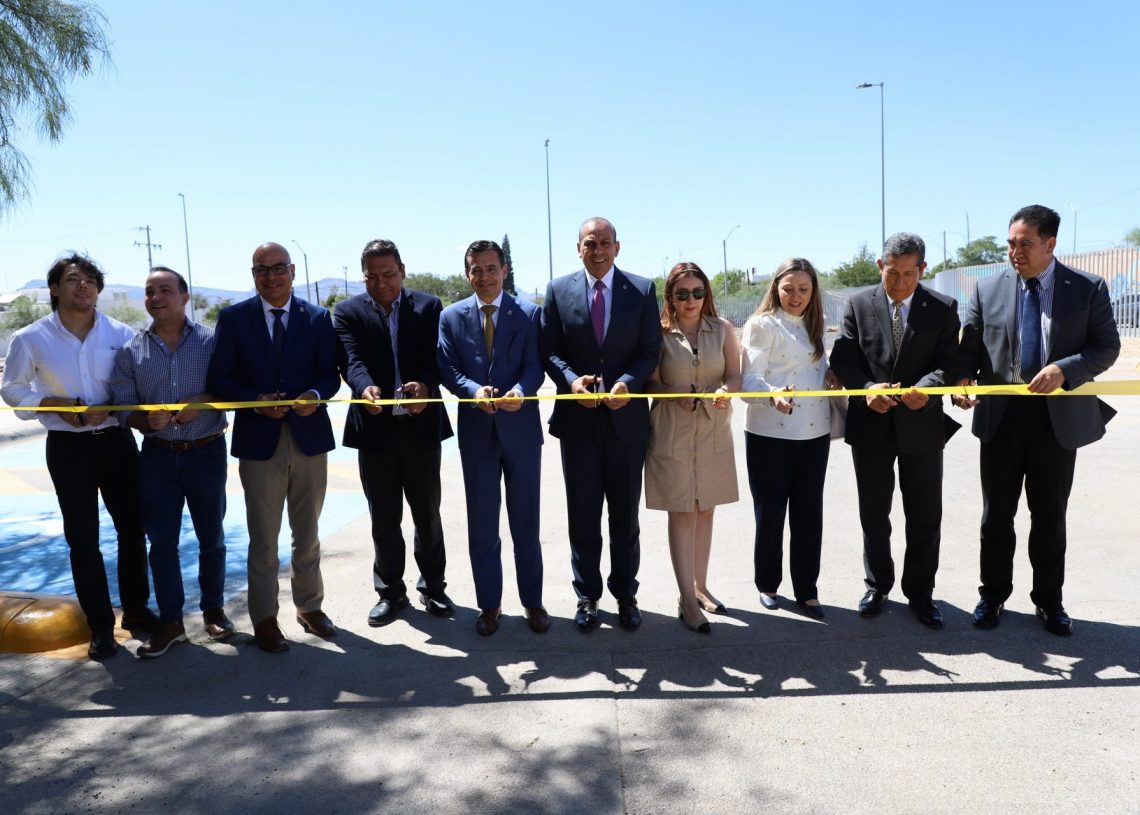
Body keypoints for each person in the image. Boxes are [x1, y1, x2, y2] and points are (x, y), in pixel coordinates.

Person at [955, 205, 1119, 636]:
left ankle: (1049, 601)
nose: (1015, 252)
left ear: (1050, 244)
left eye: (1025, 244)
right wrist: (962, 380)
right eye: (1011, 243)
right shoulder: (987, 289)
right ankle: (992, 595)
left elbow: (1106, 347)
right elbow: (968, 350)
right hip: (1001, 419)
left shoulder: (1086, 288)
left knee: (1049, 517)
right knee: (996, 517)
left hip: (1056, 420)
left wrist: (1065, 369)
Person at [0, 253, 155, 660]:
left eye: (89, 279)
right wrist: (55, 404)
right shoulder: (31, 337)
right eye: (72, 279)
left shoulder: (122, 333)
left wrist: (116, 406)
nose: (82, 285)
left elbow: (135, 384)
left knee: (132, 530)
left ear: (98, 289)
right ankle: (100, 626)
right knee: (83, 539)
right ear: (55, 289)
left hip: (117, 442)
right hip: (68, 448)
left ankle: (137, 612)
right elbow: (12, 388)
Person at [206, 242, 340, 653]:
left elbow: (330, 375)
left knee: (308, 533)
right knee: (263, 539)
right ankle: (264, 618)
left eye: (278, 267)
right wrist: (255, 402)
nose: (271, 276)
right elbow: (219, 381)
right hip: (258, 442)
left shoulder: (317, 318)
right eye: (261, 270)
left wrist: (314, 394)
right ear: (253, 276)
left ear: (292, 271)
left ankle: (309, 607)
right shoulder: (233, 319)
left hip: (309, 438)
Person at [830, 233, 960, 630]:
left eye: (909, 274)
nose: (900, 282)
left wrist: (929, 389)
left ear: (923, 270)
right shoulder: (857, 304)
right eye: (892, 273)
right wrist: (867, 389)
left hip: (922, 425)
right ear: (879, 266)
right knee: (874, 513)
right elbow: (844, 360)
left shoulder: (943, 307)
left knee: (925, 514)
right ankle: (877, 585)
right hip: (872, 426)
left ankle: (921, 592)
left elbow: (950, 362)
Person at [541, 217, 661, 632]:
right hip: (578, 426)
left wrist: (628, 383)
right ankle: (587, 596)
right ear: (578, 248)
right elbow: (549, 350)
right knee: (583, 517)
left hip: (626, 424)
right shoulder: (558, 290)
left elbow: (649, 350)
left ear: (617, 247)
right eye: (590, 243)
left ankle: (626, 594)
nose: (598, 250)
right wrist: (571, 380)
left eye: (605, 243)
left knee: (625, 519)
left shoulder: (642, 290)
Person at [110, 266, 234, 658]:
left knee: (211, 537)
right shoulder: (131, 351)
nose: (156, 297)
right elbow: (121, 406)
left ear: (185, 297)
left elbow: (232, 389)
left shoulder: (213, 342)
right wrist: (144, 421)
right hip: (157, 458)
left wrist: (204, 401)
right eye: (150, 291)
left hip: (207, 453)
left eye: (165, 290)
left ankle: (214, 610)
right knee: (161, 543)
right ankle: (171, 622)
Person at [333, 239, 454, 627]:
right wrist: (363, 387)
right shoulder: (347, 312)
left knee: (427, 515)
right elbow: (350, 360)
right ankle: (390, 593)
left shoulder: (429, 306)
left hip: (421, 429)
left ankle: (433, 587)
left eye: (388, 274)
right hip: (374, 431)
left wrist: (426, 386)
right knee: (383, 518)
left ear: (402, 270)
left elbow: (439, 358)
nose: (381, 283)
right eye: (372, 276)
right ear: (363, 276)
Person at [437, 240, 547, 636]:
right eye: (476, 269)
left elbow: (535, 366)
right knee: (483, 526)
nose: (483, 276)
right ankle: (489, 605)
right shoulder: (451, 317)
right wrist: (472, 391)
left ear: (504, 270)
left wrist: (520, 391)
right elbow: (447, 368)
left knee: (525, 525)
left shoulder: (529, 314)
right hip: (477, 435)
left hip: (521, 433)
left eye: (490, 268)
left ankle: (533, 602)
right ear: (467, 274)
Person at [644, 262, 740, 633]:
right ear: (670, 296)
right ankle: (686, 598)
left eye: (698, 292)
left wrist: (725, 391)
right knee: (683, 511)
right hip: (672, 430)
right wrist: (673, 393)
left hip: (713, 430)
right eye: (682, 293)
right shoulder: (658, 333)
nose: (691, 300)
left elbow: (735, 375)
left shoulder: (722, 329)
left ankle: (701, 587)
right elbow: (649, 383)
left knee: (706, 509)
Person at [740, 258, 835, 618]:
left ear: (813, 291)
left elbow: (816, 369)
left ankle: (807, 590)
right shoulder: (762, 324)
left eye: (804, 289)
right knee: (770, 513)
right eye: (789, 288)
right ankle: (767, 584)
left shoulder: (816, 323)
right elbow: (750, 380)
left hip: (814, 433)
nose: (796, 296)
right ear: (776, 288)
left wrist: (833, 374)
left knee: (809, 514)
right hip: (769, 433)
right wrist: (772, 395)